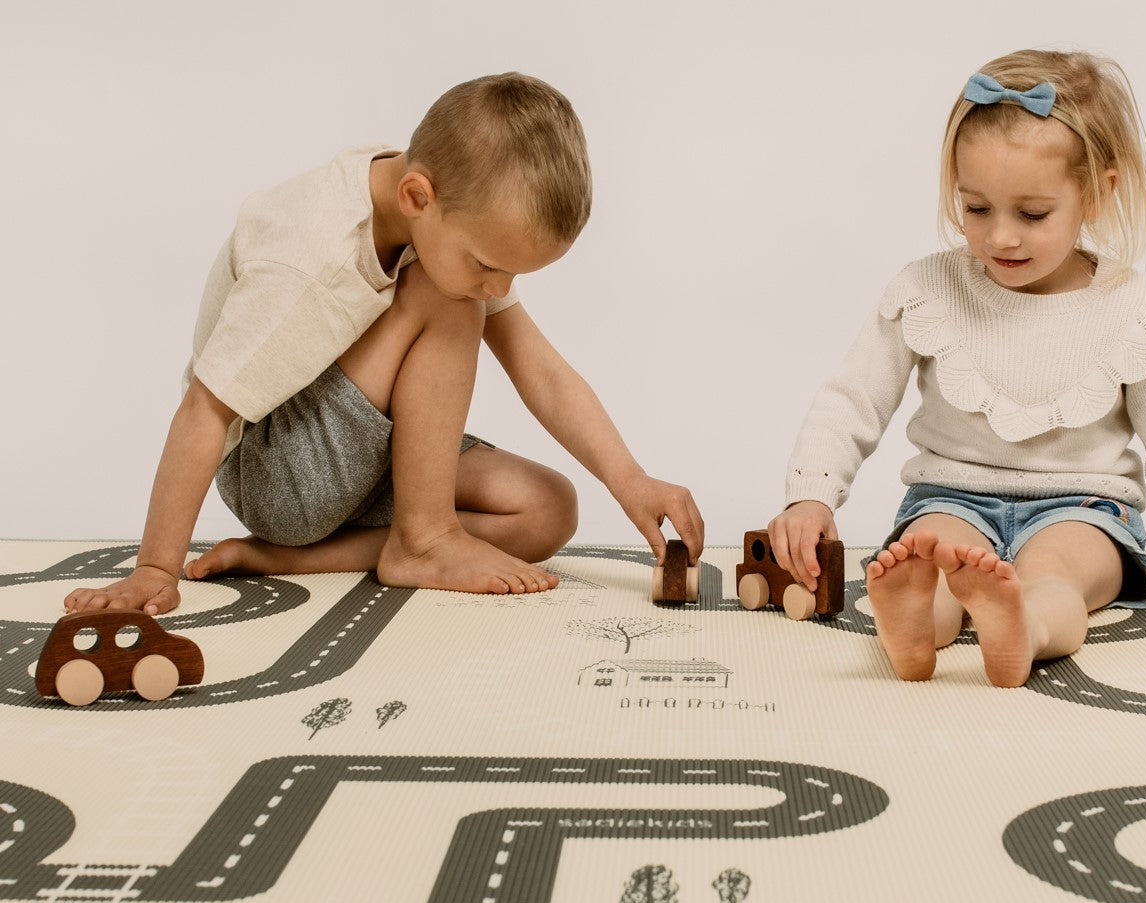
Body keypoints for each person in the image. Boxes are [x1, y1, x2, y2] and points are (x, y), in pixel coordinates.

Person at [65, 72, 703, 617]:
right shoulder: (311, 256)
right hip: (277, 472)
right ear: (416, 197)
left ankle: (318, 556)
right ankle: (425, 539)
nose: (499, 288)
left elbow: (538, 367)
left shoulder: (441, 207)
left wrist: (631, 479)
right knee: (447, 300)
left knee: (546, 510)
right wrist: (155, 567)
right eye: (488, 264)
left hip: (355, 457)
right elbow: (206, 410)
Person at [767, 49, 1146, 688]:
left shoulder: (1132, 310)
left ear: (1097, 194)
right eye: (975, 208)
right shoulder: (928, 290)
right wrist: (810, 495)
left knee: (1053, 576)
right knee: (931, 559)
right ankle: (919, 622)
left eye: (1032, 214)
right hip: (950, 497)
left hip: (1084, 508)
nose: (1000, 238)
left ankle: (1022, 624)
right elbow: (853, 397)